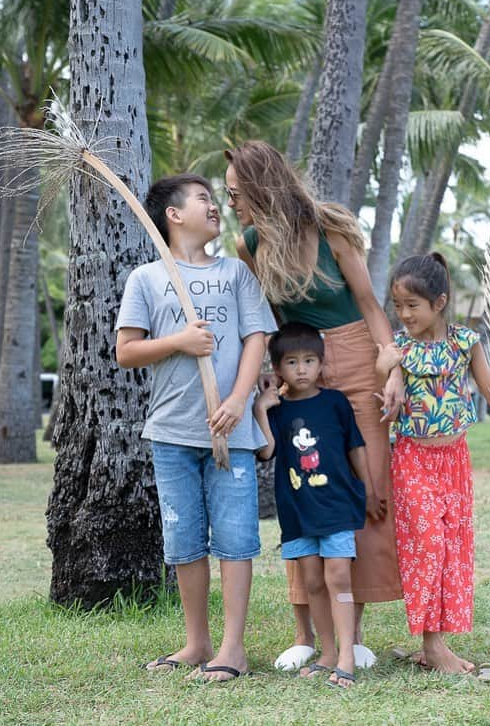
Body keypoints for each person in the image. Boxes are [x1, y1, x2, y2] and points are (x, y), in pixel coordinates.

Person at [225, 141, 403, 671]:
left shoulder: (331, 229)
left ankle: (353, 633)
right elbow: (270, 322)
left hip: (354, 359)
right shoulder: (250, 243)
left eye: (236, 193)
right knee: (301, 484)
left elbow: (370, 305)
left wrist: (391, 368)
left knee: (365, 485)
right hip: (297, 366)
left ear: (261, 187)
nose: (232, 202)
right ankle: (305, 632)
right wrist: (273, 380)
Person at [115, 174, 277, 682]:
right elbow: (126, 351)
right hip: (171, 432)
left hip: (231, 432)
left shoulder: (235, 274)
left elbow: (257, 339)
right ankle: (196, 642)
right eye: (205, 199)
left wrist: (237, 400)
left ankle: (233, 647)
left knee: (235, 537)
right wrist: (180, 341)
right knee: (183, 540)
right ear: (173, 214)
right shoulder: (146, 278)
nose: (215, 206)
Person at [376, 253, 490, 674]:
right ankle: (432, 647)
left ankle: (437, 642)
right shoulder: (399, 348)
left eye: (412, 305)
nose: (404, 314)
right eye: (398, 306)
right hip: (413, 457)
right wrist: (391, 373)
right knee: (428, 546)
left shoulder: (466, 342)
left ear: (439, 302)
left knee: (452, 549)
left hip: (455, 458)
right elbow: (385, 385)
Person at [254, 322, 378, 688]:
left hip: (337, 504)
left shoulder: (335, 402)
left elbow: (356, 446)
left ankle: (345, 657)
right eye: (292, 362)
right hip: (298, 510)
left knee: (337, 574)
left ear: (322, 363)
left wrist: (369, 490)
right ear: (278, 370)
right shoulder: (277, 411)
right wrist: (262, 407)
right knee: (312, 580)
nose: (302, 369)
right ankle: (325, 652)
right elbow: (266, 451)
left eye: (310, 360)